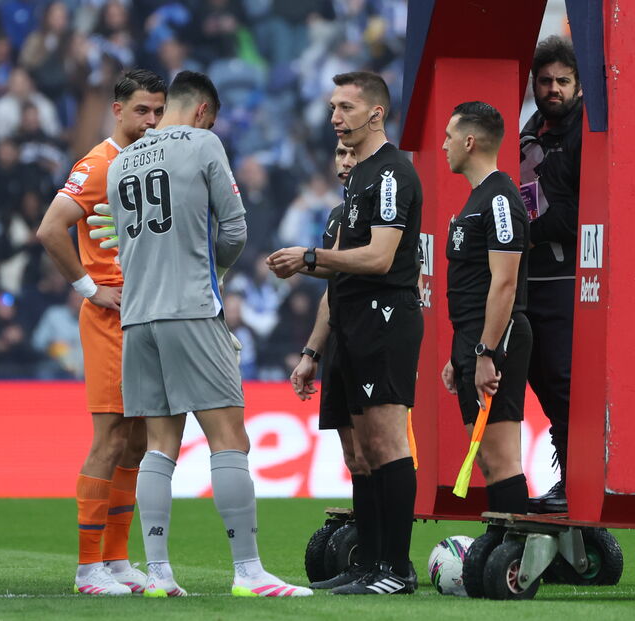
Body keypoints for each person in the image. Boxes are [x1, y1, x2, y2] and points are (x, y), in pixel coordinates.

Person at [108, 70, 311, 598]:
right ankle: (248, 572)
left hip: (137, 319)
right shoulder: (203, 143)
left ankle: (157, 575)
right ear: (202, 110)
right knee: (229, 440)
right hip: (192, 309)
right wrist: (212, 274)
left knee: (159, 447)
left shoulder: (120, 161)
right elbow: (236, 228)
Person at [267, 70, 423, 595]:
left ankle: (395, 571)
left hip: (385, 318)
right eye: (333, 107)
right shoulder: (358, 178)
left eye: (346, 108)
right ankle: (371, 565)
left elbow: (379, 257)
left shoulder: (390, 174)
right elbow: (343, 271)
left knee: (386, 443)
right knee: (363, 451)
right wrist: (313, 343)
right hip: (353, 323)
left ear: (376, 113)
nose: (334, 117)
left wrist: (311, 255)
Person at [36, 69, 166, 596]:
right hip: (111, 318)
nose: (151, 121)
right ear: (118, 109)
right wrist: (90, 288)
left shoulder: (150, 162)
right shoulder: (98, 164)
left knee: (135, 441)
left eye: (158, 111)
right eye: (142, 111)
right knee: (110, 437)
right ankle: (87, 568)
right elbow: (50, 228)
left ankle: (116, 561)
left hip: (148, 316)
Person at [439, 101, 532, 596]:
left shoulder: (499, 199)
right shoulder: (477, 198)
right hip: (475, 341)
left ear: (470, 141)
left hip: (496, 341)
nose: (444, 143)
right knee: (486, 458)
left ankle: (515, 560)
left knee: (500, 456)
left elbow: (504, 284)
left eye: (450, 135)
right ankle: (500, 548)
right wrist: (462, 352)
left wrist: (485, 353)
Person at [288, 140, 382, 590]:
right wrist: (311, 353)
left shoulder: (381, 207)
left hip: (374, 338)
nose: (345, 162)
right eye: (340, 155)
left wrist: (306, 258)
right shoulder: (337, 217)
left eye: (352, 154)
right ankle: (367, 560)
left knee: (376, 452)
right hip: (340, 342)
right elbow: (334, 290)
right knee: (353, 457)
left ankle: (385, 562)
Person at [519, 35, 582, 513]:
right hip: (530, 277)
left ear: (578, 85)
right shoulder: (528, 129)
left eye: (562, 80)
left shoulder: (586, 132)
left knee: (562, 379)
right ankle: (569, 477)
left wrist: (528, 233)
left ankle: (578, 480)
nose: (554, 88)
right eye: (546, 81)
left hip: (566, 279)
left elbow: (575, 213)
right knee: (540, 377)